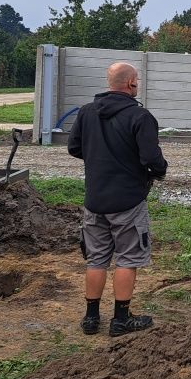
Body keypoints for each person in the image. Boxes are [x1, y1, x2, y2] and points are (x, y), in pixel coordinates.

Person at [67, 61, 168, 336]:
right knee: (127, 258)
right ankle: (121, 320)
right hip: (128, 201)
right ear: (131, 83)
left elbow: (74, 147)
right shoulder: (140, 117)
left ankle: (90, 318)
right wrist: (158, 170)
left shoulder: (87, 112)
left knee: (96, 258)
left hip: (95, 200)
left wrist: (99, 159)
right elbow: (151, 159)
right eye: (137, 80)